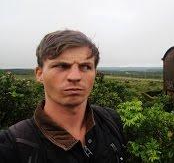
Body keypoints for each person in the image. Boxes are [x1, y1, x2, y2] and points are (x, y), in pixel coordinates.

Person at [0, 30, 126, 162]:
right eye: (61, 66)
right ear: (39, 74)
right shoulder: (11, 146)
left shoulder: (110, 120)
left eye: (85, 67)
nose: (75, 77)